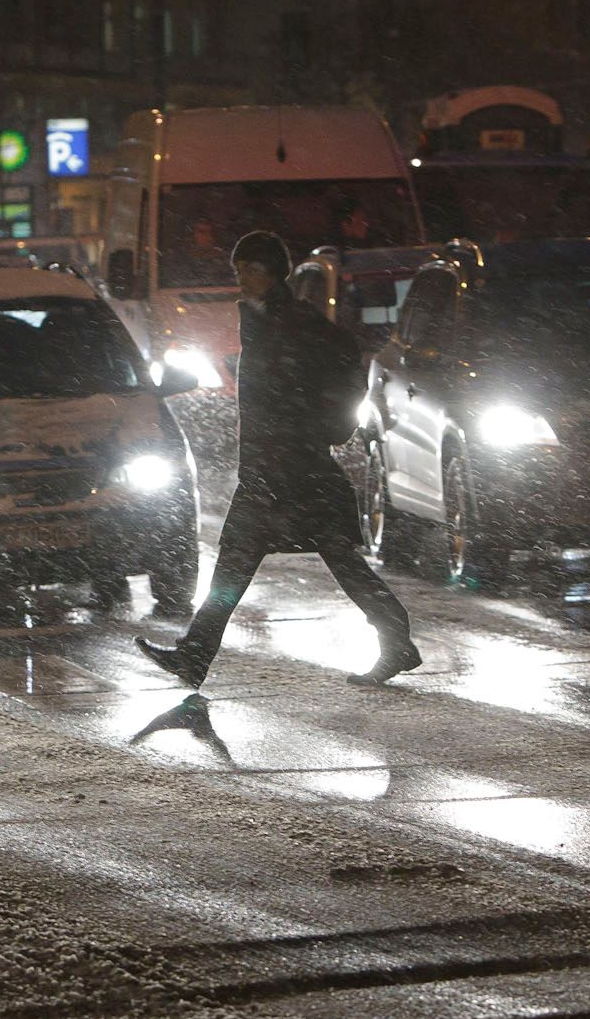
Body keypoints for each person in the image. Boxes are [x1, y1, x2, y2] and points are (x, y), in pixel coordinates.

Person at [138, 230, 421, 688]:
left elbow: (341, 367)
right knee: (253, 560)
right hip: (272, 469)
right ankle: (195, 654)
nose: (242, 278)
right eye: (238, 270)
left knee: (313, 559)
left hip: (294, 469)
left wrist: (324, 425)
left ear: (274, 272)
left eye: (251, 269)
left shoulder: (293, 323)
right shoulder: (263, 319)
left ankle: (395, 638)